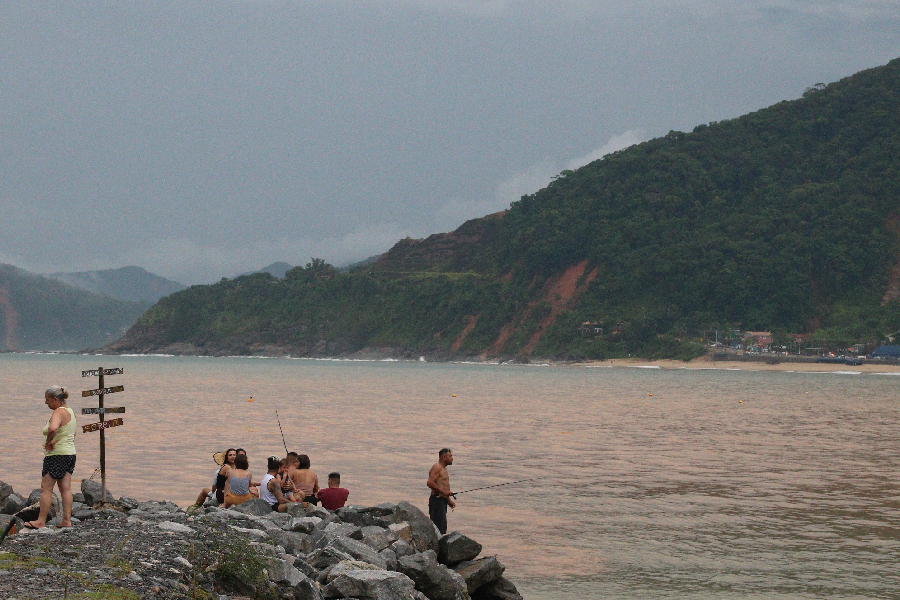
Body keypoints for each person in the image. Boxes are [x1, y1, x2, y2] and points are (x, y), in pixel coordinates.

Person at [26, 386, 76, 529]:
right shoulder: (70, 411)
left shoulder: (58, 412)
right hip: (70, 454)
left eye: (47, 400)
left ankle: (40, 521)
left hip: (56, 456)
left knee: (46, 488)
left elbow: (53, 428)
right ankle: (66, 521)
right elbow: (72, 434)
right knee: (65, 488)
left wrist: (48, 442)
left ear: (55, 399)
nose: (45, 403)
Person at [426, 448, 455, 535]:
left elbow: (443, 486)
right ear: (444, 457)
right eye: (450, 456)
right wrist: (444, 492)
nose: (452, 458)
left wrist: (448, 500)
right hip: (436, 501)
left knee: (442, 527)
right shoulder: (437, 467)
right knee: (438, 528)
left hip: (442, 501)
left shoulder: (443, 469)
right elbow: (430, 483)